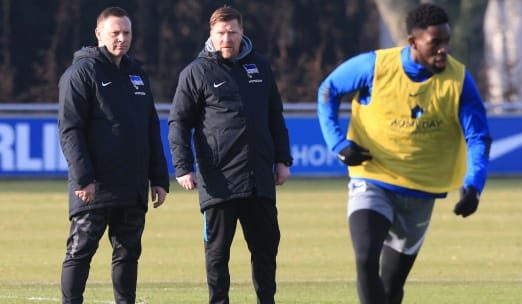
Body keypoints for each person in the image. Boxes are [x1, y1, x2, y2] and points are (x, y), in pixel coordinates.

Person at [317, 3, 491, 304]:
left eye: (446, 42)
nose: (443, 50)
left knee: (392, 283)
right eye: (435, 43)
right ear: (412, 42)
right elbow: (328, 90)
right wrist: (338, 143)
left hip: (421, 192)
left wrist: (474, 185)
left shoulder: (459, 80)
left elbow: (478, 136)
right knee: (365, 258)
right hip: (373, 178)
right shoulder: (375, 66)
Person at [168, 6, 293, 304]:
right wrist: (183, 166)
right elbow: (179, 123)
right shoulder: (196, 72)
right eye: (221, 33)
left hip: (259, 179)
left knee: (266, 249)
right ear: (211, 35)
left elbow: (275, 115)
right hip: (219, 181)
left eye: (232, 32)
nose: (227, 39)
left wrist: (282, 159)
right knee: (217, 254)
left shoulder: (260, 67)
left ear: (241, 33)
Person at [57, 7, 170, 304]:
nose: (121, 38)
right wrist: (84, 178)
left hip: (131, 185)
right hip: (94, 187)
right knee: (80, 250)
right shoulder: (81, 73)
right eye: (115, 32)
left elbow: (150, 128)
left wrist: (158, 178)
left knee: (128, 253)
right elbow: (70, 130)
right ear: (98, 34)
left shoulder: (137, 74)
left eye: (126, 33)